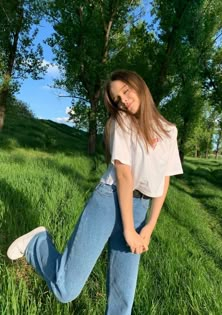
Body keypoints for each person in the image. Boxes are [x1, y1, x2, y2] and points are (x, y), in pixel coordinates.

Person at [7, 70, 183, 314]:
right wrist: (129, 230)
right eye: (117, 99)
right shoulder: (122, 123)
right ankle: (36, 244)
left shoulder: (168, 130)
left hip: (140, 207)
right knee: (66, 289)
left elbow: (164, 181)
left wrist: (149, 227)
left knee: (123, 300)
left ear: (139, 86)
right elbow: (123, 174)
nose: (123, 100)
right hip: (108, 200)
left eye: (125, 91)